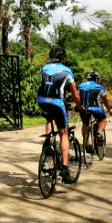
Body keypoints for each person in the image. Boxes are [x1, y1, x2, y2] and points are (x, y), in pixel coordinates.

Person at [36, 46, 82, 183]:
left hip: (41, 101)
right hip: (57, 102)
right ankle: (65, 169)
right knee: (64, 134)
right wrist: (79, 106)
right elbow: (74, 92)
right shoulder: (67, 71)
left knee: (49, 116)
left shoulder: (44, 68)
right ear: (63, 58)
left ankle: (47, 141)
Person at [77, 70, 112, 147]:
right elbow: (104, 99)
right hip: (96, 108)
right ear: (96, 79)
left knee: (85, 123)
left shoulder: (80, 85)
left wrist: (77, 106)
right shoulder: (99, 86)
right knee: (103, 119)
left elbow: (77, 96)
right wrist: (108, 109)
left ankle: (85, 142)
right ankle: (99, 133)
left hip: (84, 108)